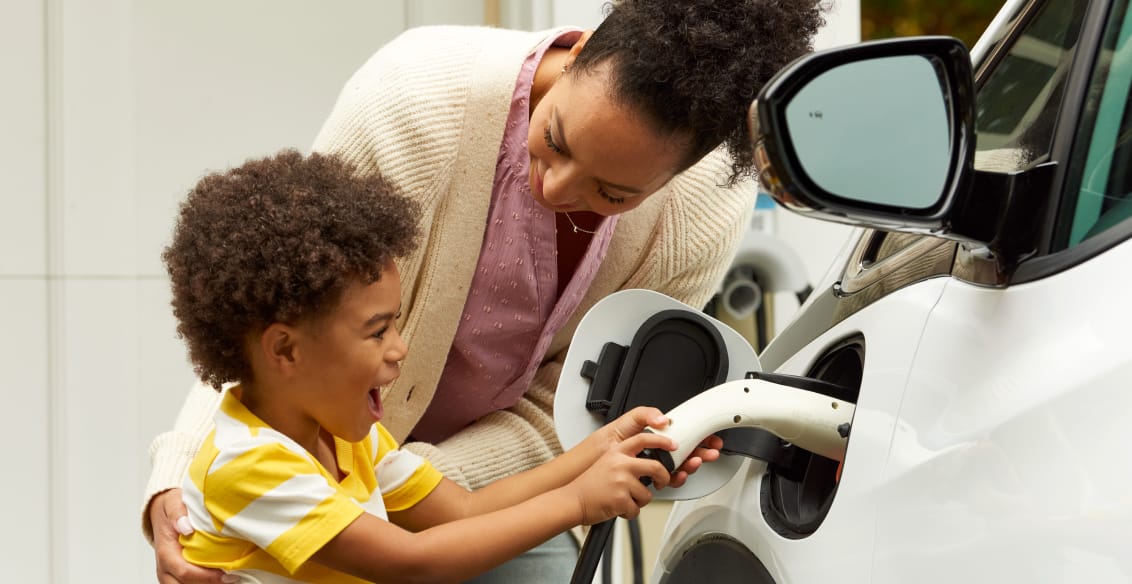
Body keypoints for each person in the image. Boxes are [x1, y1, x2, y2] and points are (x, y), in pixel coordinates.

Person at [145, 0, 825, 581]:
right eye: (556, 139)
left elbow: (464, 513)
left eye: (612, 193)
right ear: (581, 50)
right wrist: (178, 476)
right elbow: (275, 321)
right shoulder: (415, 97)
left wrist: (605, 448)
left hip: (443, 475)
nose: (555, 189)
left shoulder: (701, 214)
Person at [162, 149, 691, 583]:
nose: (399, 348)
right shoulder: (249, 465)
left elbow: (462, 511)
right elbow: (413, 563)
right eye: (377, 331)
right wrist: (579, 501)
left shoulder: (347, 437)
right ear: (285, 351)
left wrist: (601, 450)